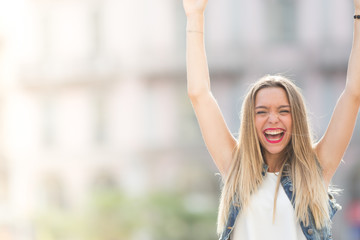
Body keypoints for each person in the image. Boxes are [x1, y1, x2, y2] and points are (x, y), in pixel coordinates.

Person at [183, 0, 360, 239]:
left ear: (296, 118)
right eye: (262, 111)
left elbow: (353, 93)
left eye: (283, 111)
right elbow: (199, 94)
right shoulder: (236, 167)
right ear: (249, 122)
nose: (272, 119)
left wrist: (359, 12)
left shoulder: (315, 169)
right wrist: (195, 15)